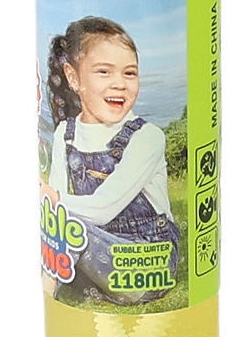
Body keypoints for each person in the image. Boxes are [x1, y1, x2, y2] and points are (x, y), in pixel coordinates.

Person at [43, 16, 180, 306]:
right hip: (96, 252)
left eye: (130, 73)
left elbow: (103, 207)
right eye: (104, 72)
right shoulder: (65, 134)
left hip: (146, 265)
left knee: (70, 224)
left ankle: (49, 293)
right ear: (73, 78)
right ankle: (60, 296)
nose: (119, 84)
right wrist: (51, 202)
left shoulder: (146, 137)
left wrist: (53, 199)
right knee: (58, 223)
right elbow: (55, 216)